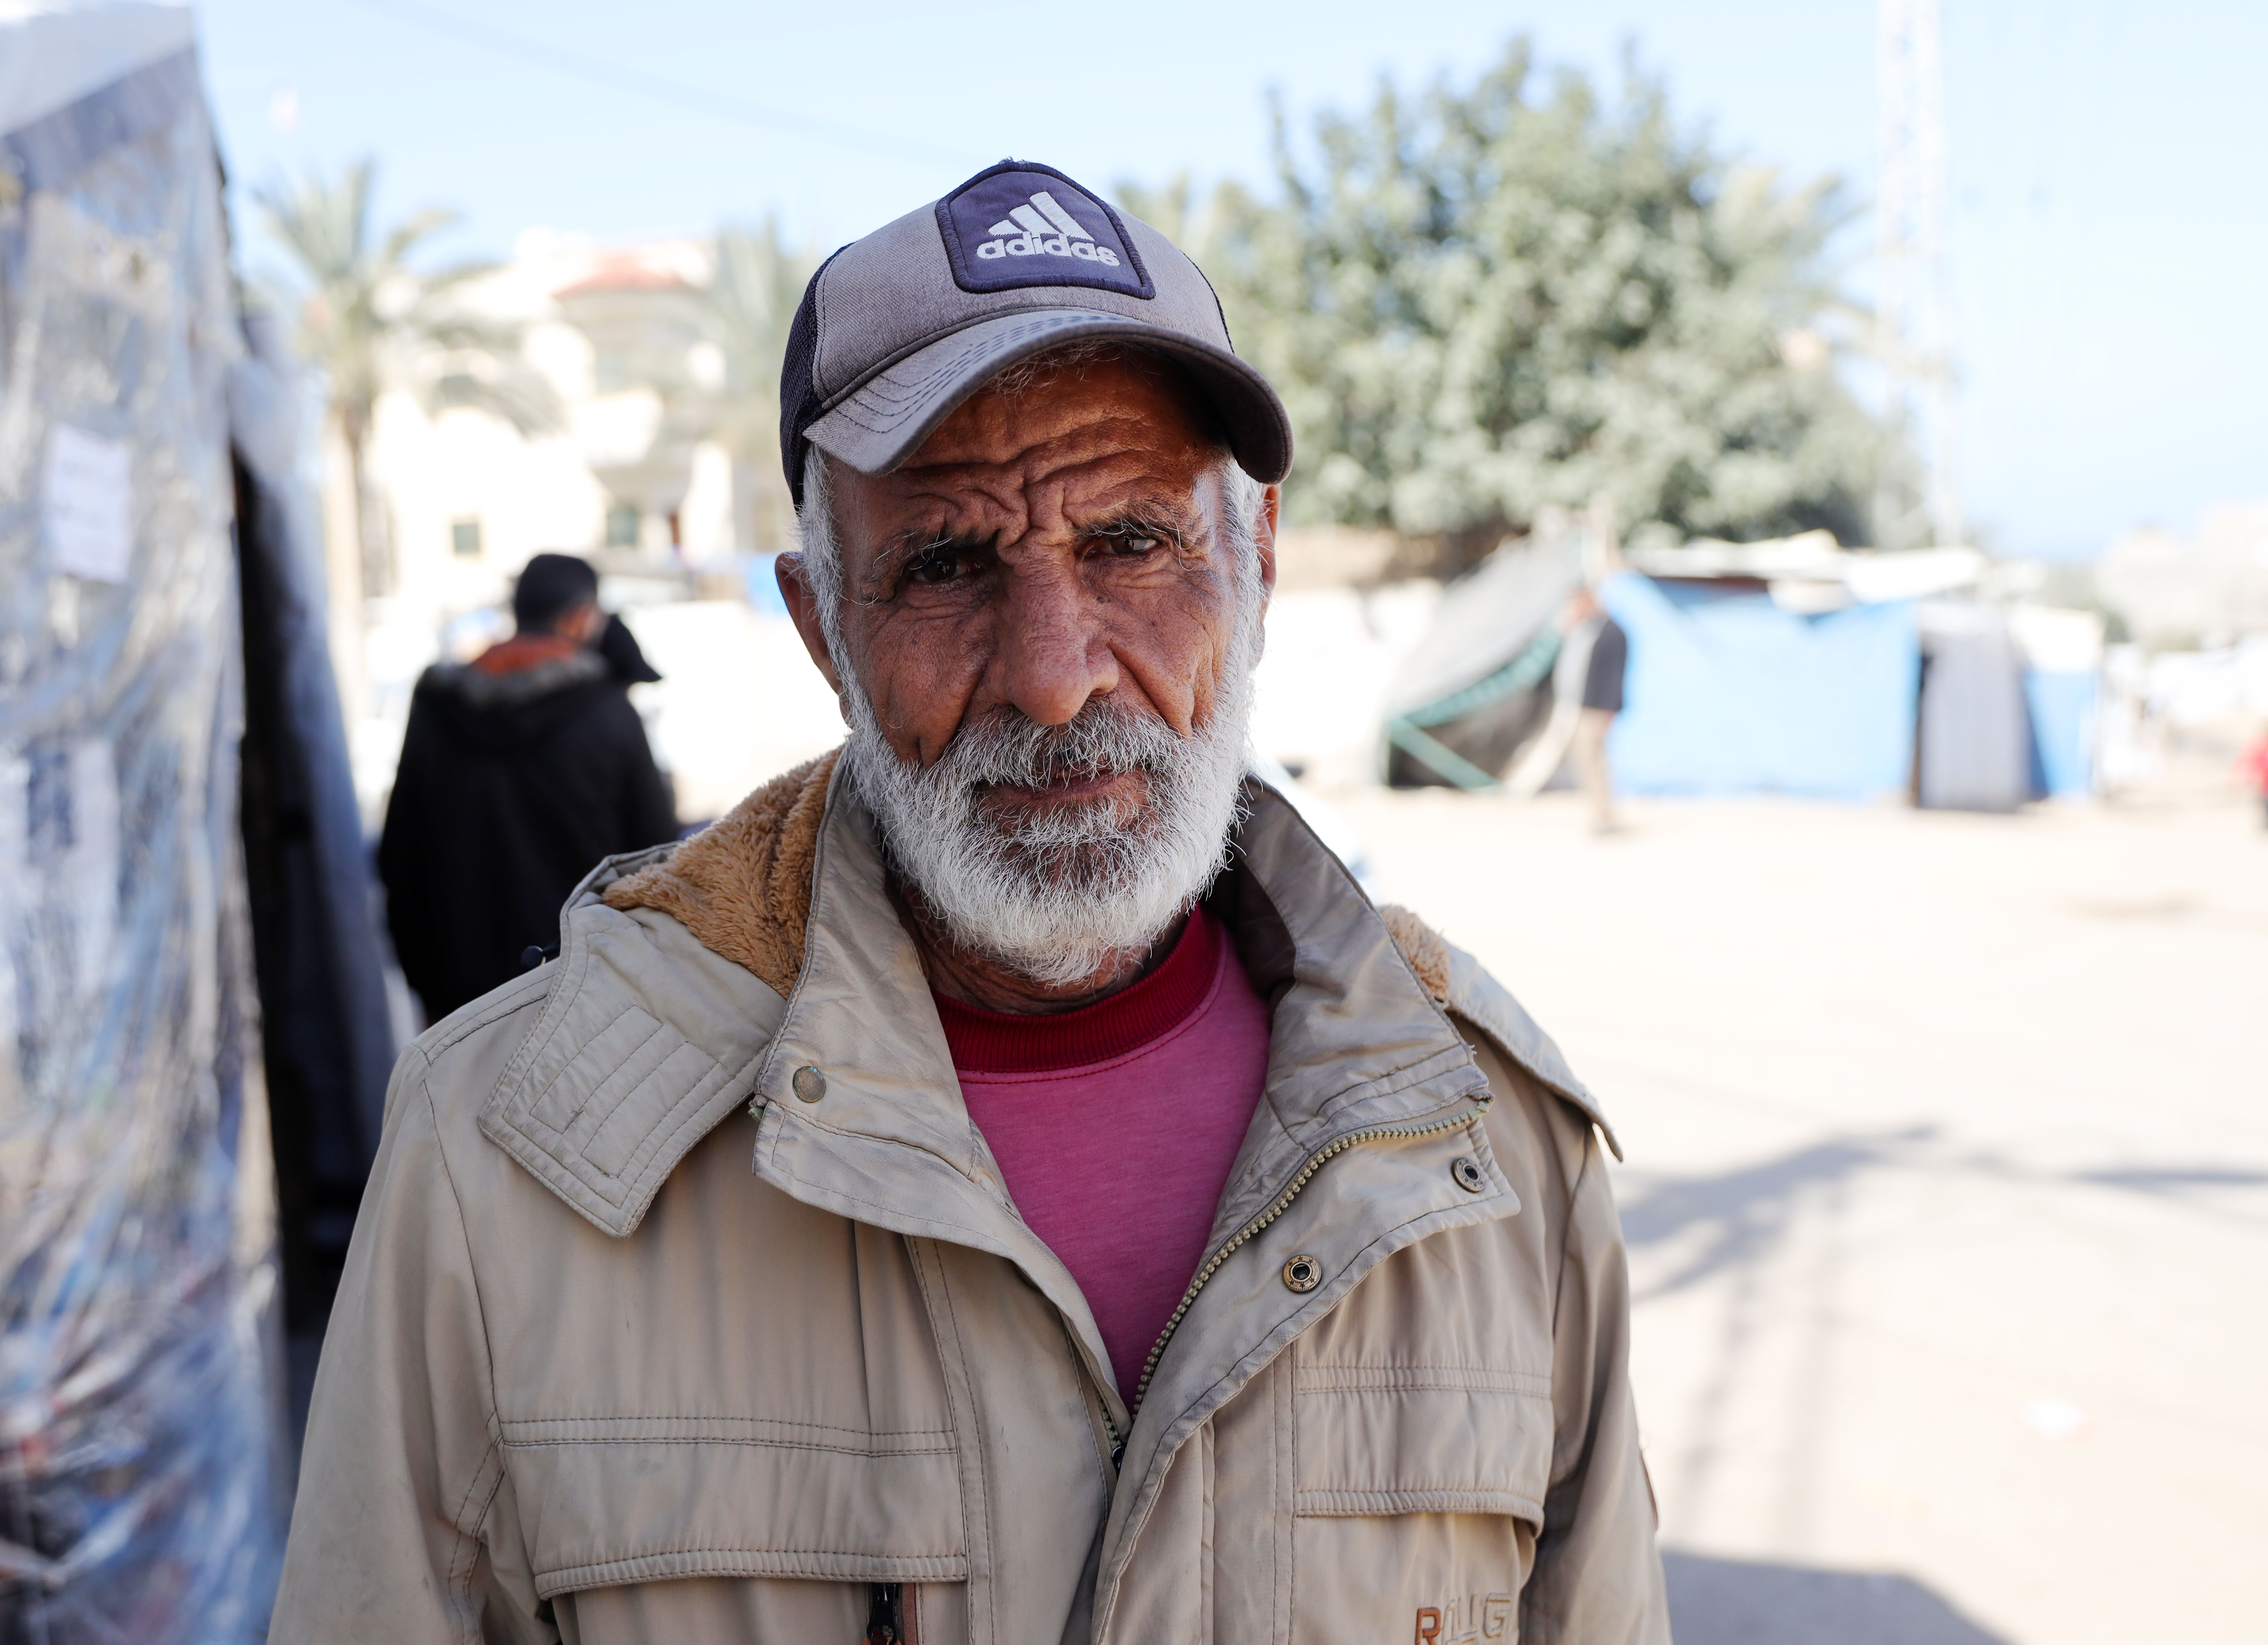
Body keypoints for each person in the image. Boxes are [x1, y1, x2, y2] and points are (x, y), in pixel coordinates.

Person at [279, 161, 1666, 1643]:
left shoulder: (1491, 1146)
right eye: (946, 563)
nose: (1056, 673)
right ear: (823, 625)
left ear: (1254, 561)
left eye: (1132, 542)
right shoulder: (502, 1163)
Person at [375, 553, 678, 1023]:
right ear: (581, 617)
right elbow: (657, 862)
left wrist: (427, 982)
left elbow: (399, 856)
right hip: (582, 1000)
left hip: (459, 1008)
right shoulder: (608, 712)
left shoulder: (437, 710)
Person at [1567, 589, 1632, 834]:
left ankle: (1604, 815)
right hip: (1585, 706)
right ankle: (1599, 812)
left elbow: (1615, 676)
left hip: (1598, 709)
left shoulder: (1612, 632)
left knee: (1595, 761)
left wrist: (1609, 710)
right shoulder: (1589, 630)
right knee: (1586, 761)